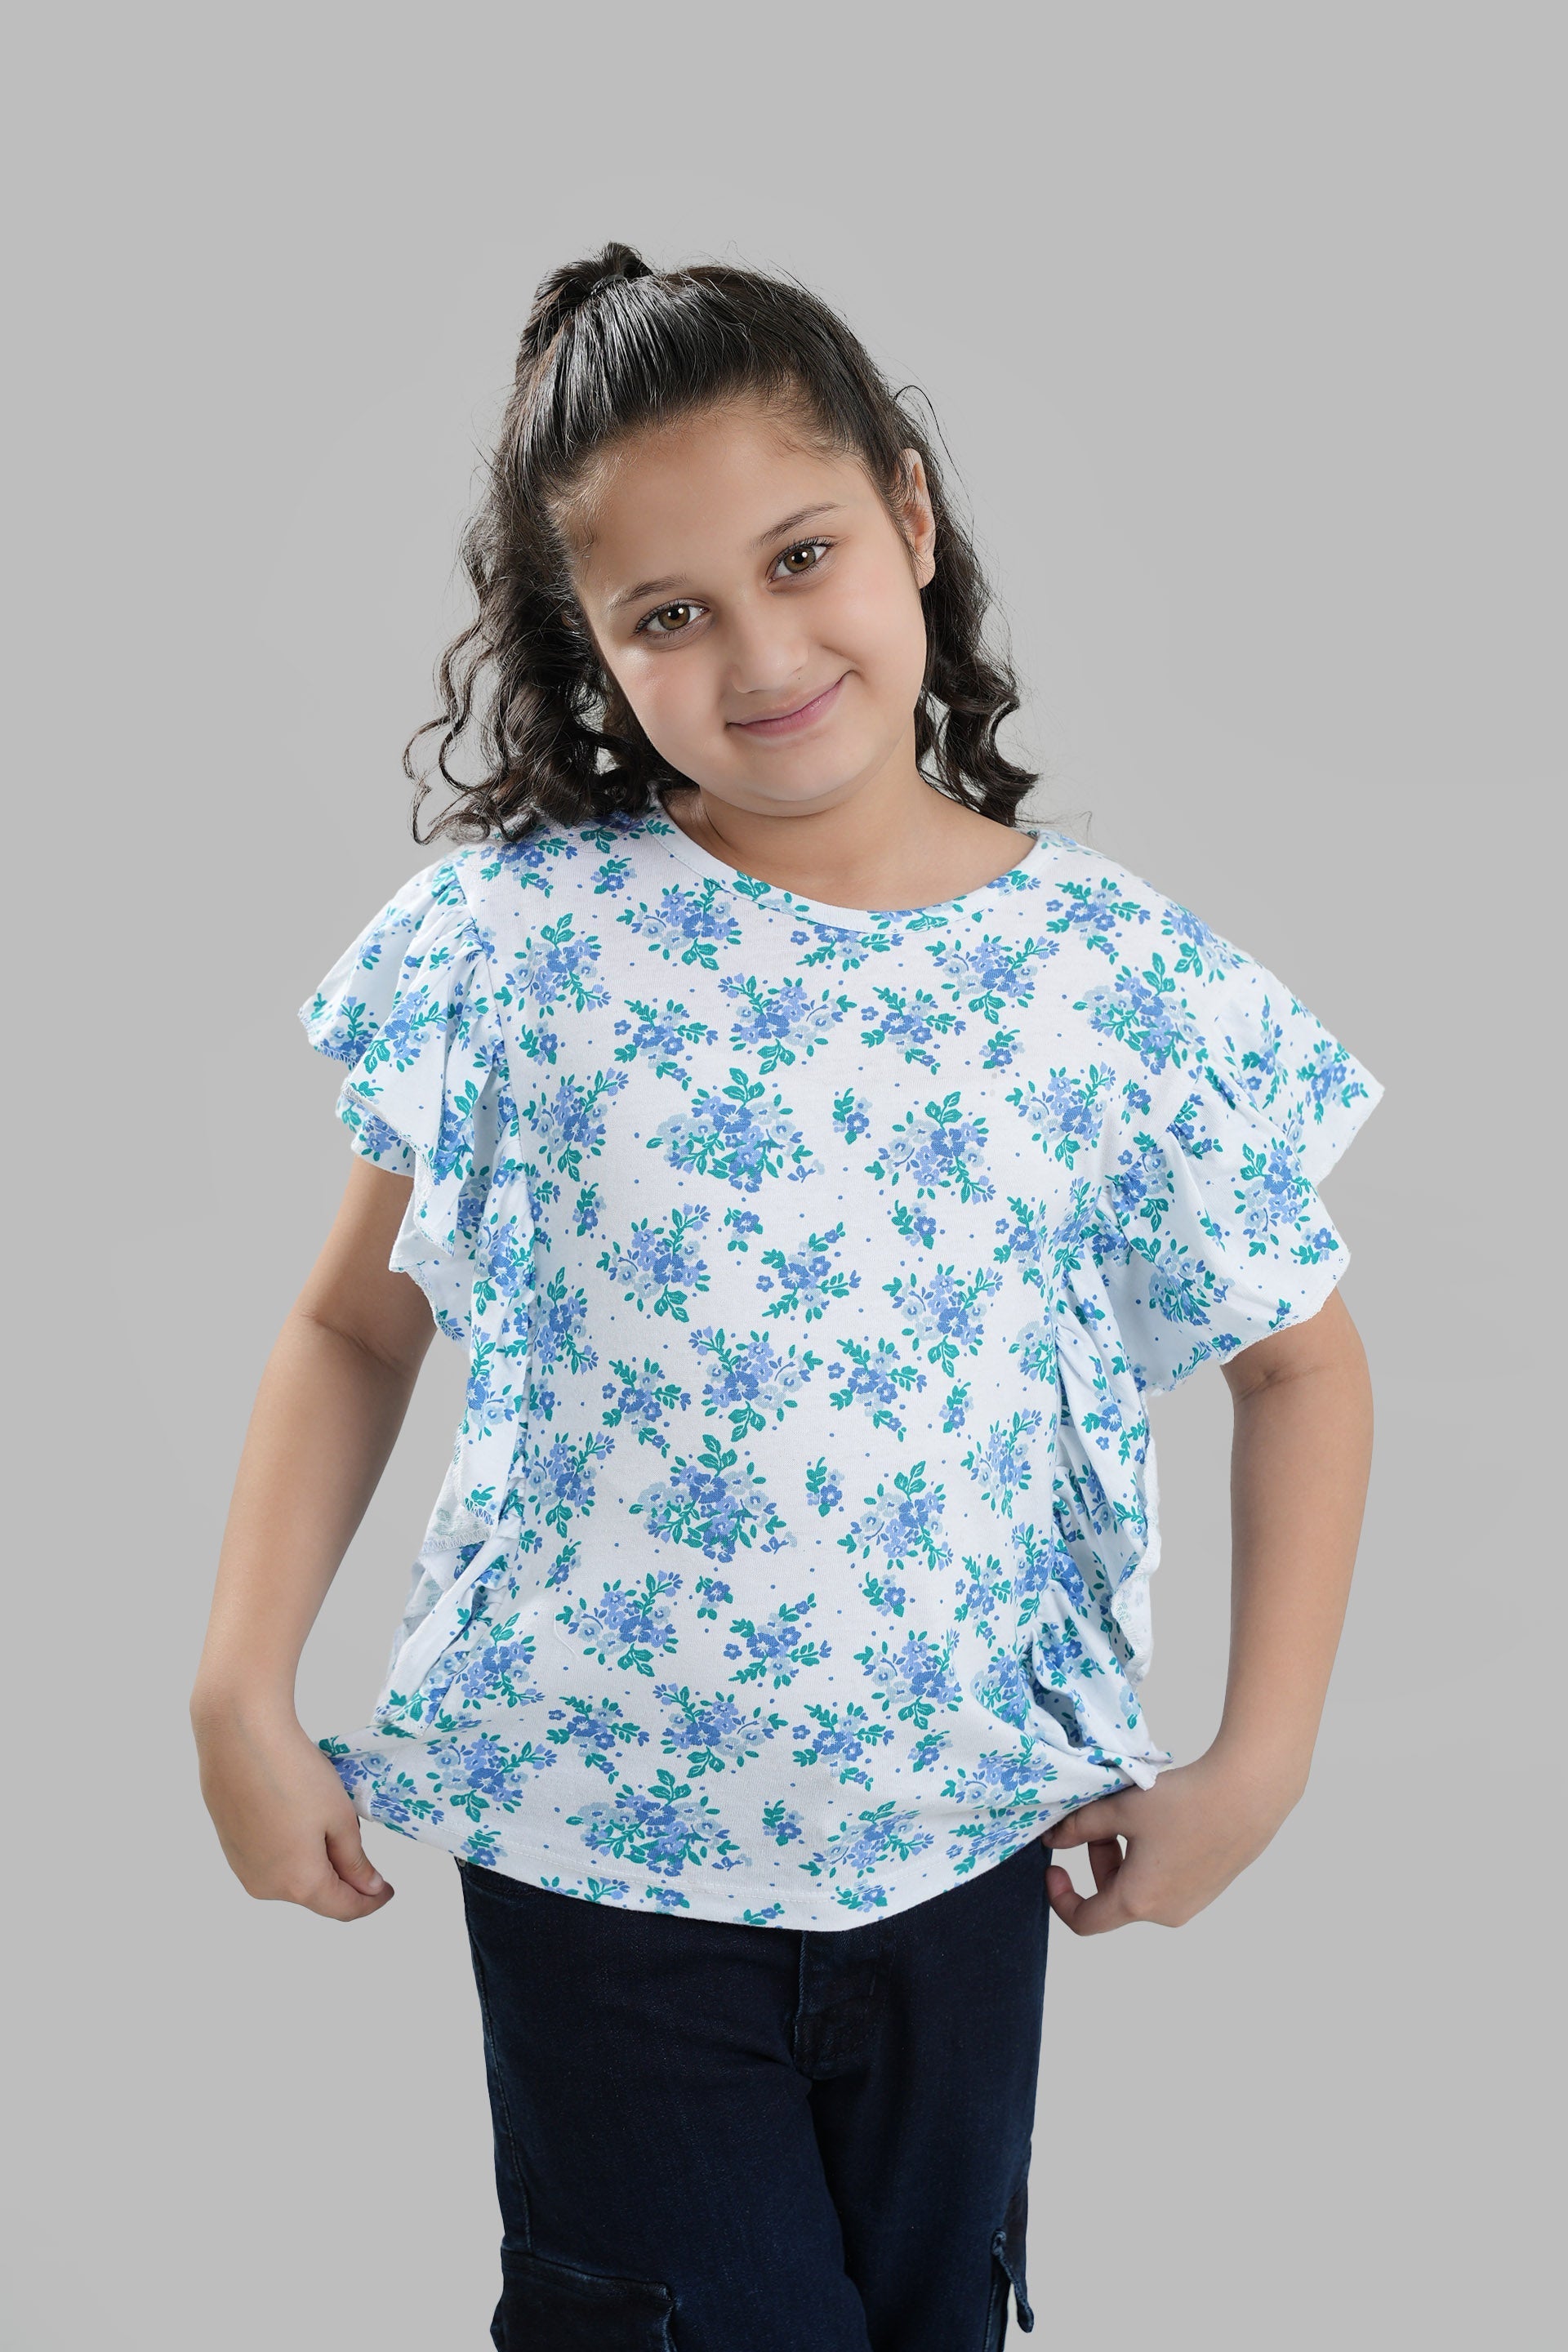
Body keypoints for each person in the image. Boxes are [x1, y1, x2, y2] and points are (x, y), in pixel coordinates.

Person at [190, 243, 1379, 2351]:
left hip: (962, 1860)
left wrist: (1258, 1760)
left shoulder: (1108, 980)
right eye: (668, 614)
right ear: (587, 645)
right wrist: (239, 1688)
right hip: (596, 1867)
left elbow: (1301, 1365)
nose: (761, 652)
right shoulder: (519, 946)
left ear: (909, 516)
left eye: (801, 555)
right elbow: (355, 1324)